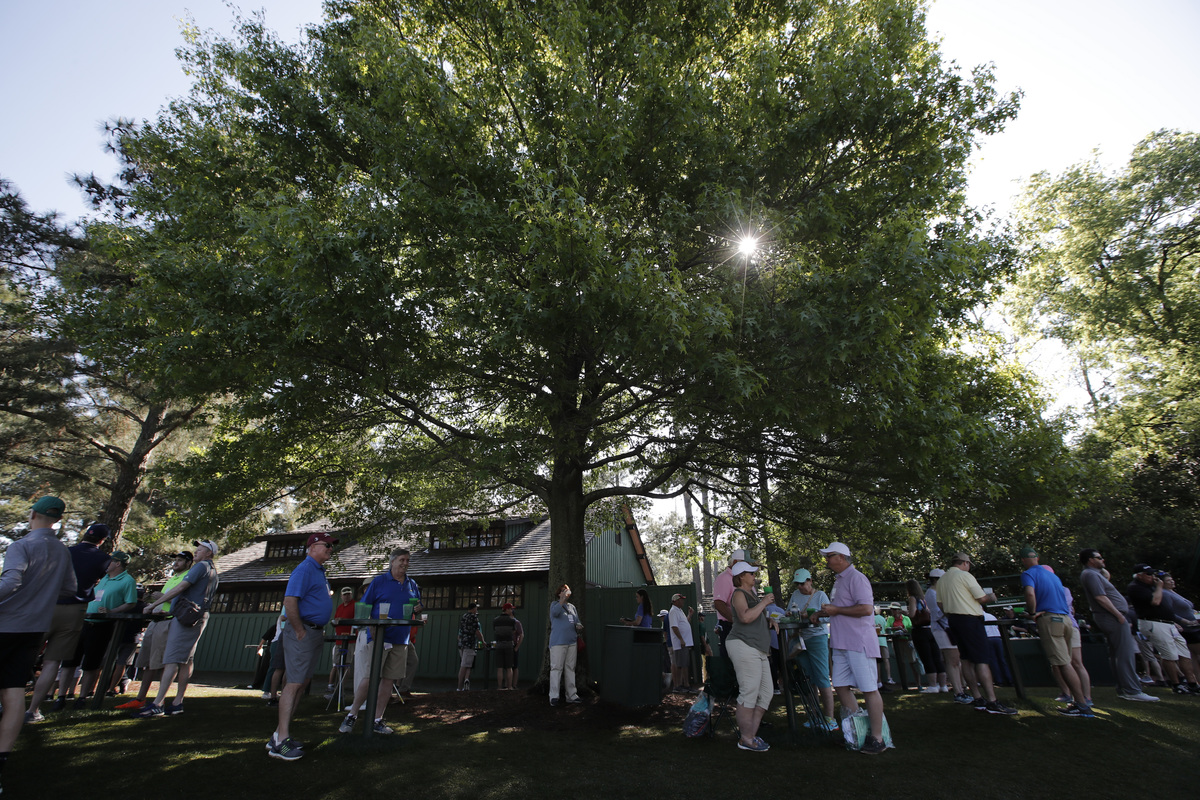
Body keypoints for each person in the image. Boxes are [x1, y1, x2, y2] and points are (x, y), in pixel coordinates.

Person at [0, 496, 76, 795]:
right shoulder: (62, 551)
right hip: (33, 629)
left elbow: (11, 583)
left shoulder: (21, 546)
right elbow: (70, 588)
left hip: (5, 625)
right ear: (57, 520)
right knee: (14, 691)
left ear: (32, 514)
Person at [262, 532, 336, 760]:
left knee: (301, 683)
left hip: (313, 632)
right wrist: (300, 630)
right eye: (326, 545)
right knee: (293, 684)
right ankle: (281, 743)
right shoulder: (304, 569)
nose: (330, 549)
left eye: (331, 546)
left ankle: (278, 735)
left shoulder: (319, 571)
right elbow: (290, 600)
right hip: (302, 632)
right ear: (312, 547)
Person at [27, 522, 111, 721]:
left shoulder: (65, 552)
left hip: (48, 605)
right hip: (75, 610)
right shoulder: (104, 559)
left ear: (85, 534)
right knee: (53, 661)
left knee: (25, 654)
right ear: (102, 540)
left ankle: (6, 701)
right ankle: (33, 710)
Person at [340, 548, 422, 734]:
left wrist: (418, 608)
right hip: (380, 638)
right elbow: (364, 606)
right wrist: (371, 628)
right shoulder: (379, 582)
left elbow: (417, 605)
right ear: (392, 562)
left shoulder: (412, 584)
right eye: (402, 560)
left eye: (407, 560)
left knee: (389, 679)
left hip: (401, 639)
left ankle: (378, 719)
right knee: (370, 677)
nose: (405, 563)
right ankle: (352, 715)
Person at [137, 540, 220, 718]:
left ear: (209, 553)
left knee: (172, 659)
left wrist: (153, 605)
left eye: (201, 549)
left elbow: (181, 587)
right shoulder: (212, 571)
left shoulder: (201, 567)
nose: (196, 551)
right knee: (186, 660)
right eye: (197, 548)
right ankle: (177, 703)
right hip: (197, 617)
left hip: (186, 618)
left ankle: (158, 704)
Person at [819, 541, 888, 755]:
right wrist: (823, 613)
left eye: (829, 556)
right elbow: (840, 609)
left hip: (858, 642)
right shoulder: (840, 580)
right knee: (840, 686)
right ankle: (857, 731)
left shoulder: (857, 578)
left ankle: (877, 738)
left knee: (869, 689)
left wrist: (836, 610)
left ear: (841, 557)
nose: (826, 560)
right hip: (841, 643)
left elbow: (866, 609)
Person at [935, 552, 1017, 715]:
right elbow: (981, 598)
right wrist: (991, 597)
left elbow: (940, 604)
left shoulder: (942, 580)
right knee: (981, 660)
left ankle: (978, 698)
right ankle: (992, 701)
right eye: (969, 564)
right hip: (970, 620)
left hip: (954, 621)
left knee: (966, 659)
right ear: (965, 563)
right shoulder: (965, 576)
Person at [1077, 549, 1159, 702]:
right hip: (1111, 617)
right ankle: (1132, 690)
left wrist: (1102, 569)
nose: (1102, 560)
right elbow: (1100, 597)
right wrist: (1119, 615)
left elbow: (1105, 576)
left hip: (1111, 616)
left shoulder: (1094, 574)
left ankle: (1124, 689)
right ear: (1090, 560)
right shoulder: (1090, 575)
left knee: (1118, 653)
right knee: (1125, 654)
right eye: (1099, 557)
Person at [1019, 547, 1093, 716]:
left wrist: (1031, 613)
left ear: (1023, 560)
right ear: (1037, 557)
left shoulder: (1028, 574)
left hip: (1051, 620)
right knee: (1067, 661)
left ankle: (1082, 705)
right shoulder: (1053, 576)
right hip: (1066, 620)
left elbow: (1030, 594)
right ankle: (1079, 701)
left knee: (1063, 663)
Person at [120, 550, 193, 711]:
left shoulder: (188, 578)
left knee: (161, 662)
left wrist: (161, 597)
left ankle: (158, 701)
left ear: (188, 563)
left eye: (180, 560)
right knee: (147, 662)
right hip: (155, 621)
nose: (176, 563)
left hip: (167, 621)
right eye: (175, 560)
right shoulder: (172, 578)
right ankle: (140, 698)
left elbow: (184, 602)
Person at [68, 549, 138, 706]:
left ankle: (84, 697)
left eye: (110, 561)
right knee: (71, 661)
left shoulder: (128, 581)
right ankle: (63, 695)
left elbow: (131, 602)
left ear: (118, 564)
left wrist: (112, 611)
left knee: (91, 663)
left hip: (102, 625)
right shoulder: (104, 578)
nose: (106, 564)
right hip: (85, 621)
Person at [1126, 564, 1200, 694]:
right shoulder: (1135, 587)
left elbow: (1166, 608)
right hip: (1153, 623)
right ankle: (1176, 685)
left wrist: (1179, 622)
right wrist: (1159, 587)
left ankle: (1192, 683)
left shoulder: (1153, 586)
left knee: (1184, 653)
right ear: (1139, 576)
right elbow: (1155, 602)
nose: (1152, 577)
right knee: (1169, 655)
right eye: (1149, 574)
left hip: (1168, 623)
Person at [727, 561, 775, 751]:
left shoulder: (752, 593)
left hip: (758, 648)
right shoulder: (739, 594)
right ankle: (746, 739)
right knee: (749, 692)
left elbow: (754, 616)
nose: (754, 576)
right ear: (741, 577)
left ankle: (751, 736)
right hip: (743, 645)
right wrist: (764, 602)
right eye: (751, 573)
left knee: (766, 693)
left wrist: (769, 620)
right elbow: (745, 617)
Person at [786, 568, 836, 728]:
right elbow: (789, 612)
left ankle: (829, 718)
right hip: (800, 639)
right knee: (807, 679)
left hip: (817, 637)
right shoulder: (795, 595)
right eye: (797, 584)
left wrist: (813, 616)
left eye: (802, 583)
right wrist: (791, 615)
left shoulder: (820, 595)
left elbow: (829, 615)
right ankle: (814, 716)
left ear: (810, 581)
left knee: (821, 677)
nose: (800, 587)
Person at [926, 569, 968, 701]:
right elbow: (938, 613)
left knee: (956, 660)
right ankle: (958, 691)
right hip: (942, 629)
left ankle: (961, 689)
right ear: (936, 580)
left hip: (947, 628)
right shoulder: (931, 594)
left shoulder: (938, 592)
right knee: (952, 660)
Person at [906, 578, 944, 693]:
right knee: (936, 657)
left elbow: (912, 614)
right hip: (929, 629)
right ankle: (943, 685)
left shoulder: (912, 598)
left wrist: (905, 613)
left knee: (926, 657)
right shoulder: (923, 599)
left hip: (920, 631)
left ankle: (933, 685)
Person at [712, 549, 753, 656]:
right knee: (734, 659)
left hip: (747, 626)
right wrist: (736, 621)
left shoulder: (745, 578)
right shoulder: (724, 578)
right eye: (745, 563)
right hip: (731, 627)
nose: (748, 566)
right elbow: (719, 604)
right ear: (735, 562)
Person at [548, 584, 583, 706]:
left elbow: (576, 620)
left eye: (567, 590)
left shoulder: (572, 607)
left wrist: (578, 625)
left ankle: (572, 695)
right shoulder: (554, 605)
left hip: (572, 642)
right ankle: (554, 696)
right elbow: (555, 613)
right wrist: (562, 600)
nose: (566, 592)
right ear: (559, 593)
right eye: (563, 591)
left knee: (570, 668)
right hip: (558, 642)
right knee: (556, 668)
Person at [324, 587, 356, 700]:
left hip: (350, 640)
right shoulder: (340, 607)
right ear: (341, 596)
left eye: (348, 594)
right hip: (339, 639)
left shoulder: (355, 605)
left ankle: (341, 690)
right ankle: (336, 689)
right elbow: (336, 619)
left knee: (346, 664)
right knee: (337, 664)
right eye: (345, 594)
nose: (347, 596)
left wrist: (343, 620)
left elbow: (357, 621)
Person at [1161, 573, 1200, 663]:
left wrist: (1198, 616)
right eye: (1168, 580)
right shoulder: (1165, 594)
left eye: (1171, 579)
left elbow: (1190, 609)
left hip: (1195, 625)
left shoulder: (1172, 592)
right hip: (1189, 629)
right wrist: (1186, 622)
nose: (1172, 581)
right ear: (1162, 583)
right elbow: (1168, 612)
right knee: (1195, 654)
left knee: (1194, 656)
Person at [668, 593, 696, 693]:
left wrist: (690, 615)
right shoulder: (673, 611)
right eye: (681, 599)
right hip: (681, 643)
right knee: (681, 665)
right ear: (675, 601)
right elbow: (674, 627)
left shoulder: (679, 611)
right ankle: (680, 685)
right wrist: (681, 639)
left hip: (685, 642)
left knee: (684, 664)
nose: (683, 601)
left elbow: (684, 623)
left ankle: (684, 685)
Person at [492, 602, 522, 690]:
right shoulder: (512, 621)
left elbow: (495, 630)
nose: (512, 610)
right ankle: (509, 686)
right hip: (509, 644)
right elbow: (513, 631)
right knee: (509, 667)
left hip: (499, 644)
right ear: (507, 609)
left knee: (500, 668)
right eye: (511, 609)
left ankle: (499, 687)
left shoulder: (495, 620)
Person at [457, 601, 485, 691]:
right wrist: (483, 641)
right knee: (465, 665)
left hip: (461, 643)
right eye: (476, 608)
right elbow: (477, 631)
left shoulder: (464, 616)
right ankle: (460, 686)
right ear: (473, 609)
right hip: (469, 643)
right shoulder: (474, 617)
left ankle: (465, 682)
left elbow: (460, 631)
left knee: (466, 664)